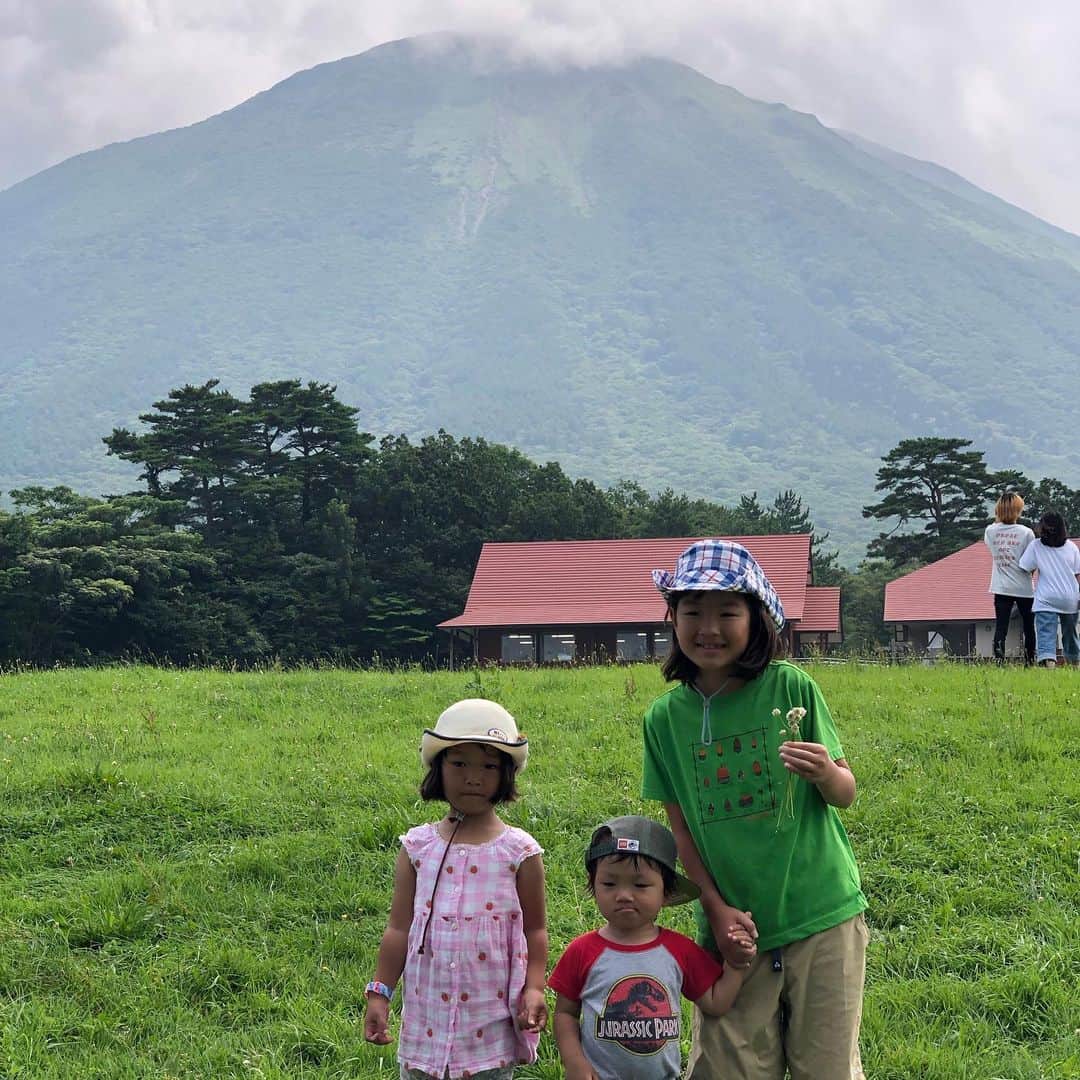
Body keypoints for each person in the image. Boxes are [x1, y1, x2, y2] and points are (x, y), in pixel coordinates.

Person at [642, 539, 868, 1080]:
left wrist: (826, 774)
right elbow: (681, 828)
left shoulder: (791, 686)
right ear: (672, 619)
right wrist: (716, 909)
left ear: (757, 618)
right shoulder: (664, 719)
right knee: (729, 1067)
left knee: (828, 1068)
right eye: (692, 612)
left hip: (822, 914)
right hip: (735, 930)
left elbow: (846, 793)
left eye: (727, 612)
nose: (709, 628)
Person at [363, 698, 548, 1080]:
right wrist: (380, 992)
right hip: (424, 1035)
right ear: (439, 768)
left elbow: (535, 930)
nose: (474, 777)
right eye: (459, 763)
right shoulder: (417, 848)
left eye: (488, 766)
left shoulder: (520, 852)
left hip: (489, 1038)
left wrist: (535, 988)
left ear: (506, 775)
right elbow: (399, 928)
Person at [549, 815, 755, 1080]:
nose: (623, 894)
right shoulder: (582, 951)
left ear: (666, 893)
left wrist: (736, 964)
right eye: (609, 884)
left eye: (640, 884)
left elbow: (716, 1002)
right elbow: (565, 1013)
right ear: (593, 886)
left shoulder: (679, 950)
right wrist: (574, 1062)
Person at [1018, 511, 1080, 668]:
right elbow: (1078, 574)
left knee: (1046, 634)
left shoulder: (1036, 546)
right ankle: (1074, 665)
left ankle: (1049, 666)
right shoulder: (1071, 547)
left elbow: (1024, 567)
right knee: (1070, 634)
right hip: (1070, 598)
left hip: (1046, 598)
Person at [984, 491, 1036, 663]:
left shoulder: (991, 531)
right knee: (1029, 627)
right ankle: (1029, 661)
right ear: (1018, 510)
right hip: (1024, 586)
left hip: (1001, 586)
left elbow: (990, 545)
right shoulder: (1027, 533)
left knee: (1001, 627)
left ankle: (999, 661)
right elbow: (1031, 561)